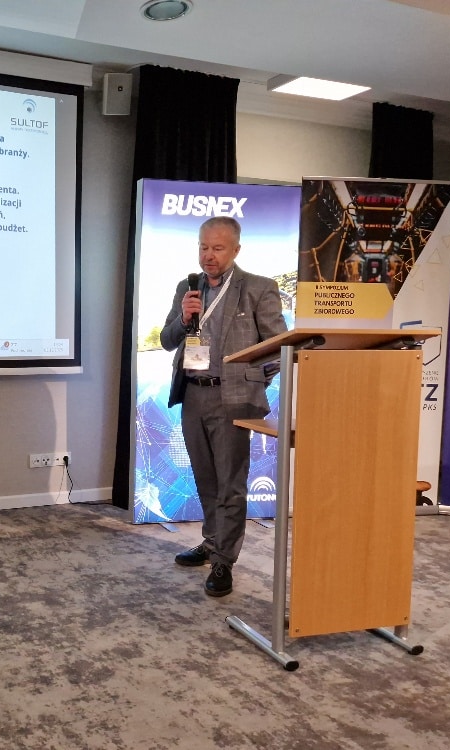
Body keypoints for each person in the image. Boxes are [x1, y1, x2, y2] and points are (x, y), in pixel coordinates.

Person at [159, 216, 287, 597]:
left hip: (233, 399)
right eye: (203, 247)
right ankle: (211, 540)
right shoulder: (187, 287)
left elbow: (278, 348)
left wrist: (252, 383)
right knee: (205, 477)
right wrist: (184, 318)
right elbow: (167, 339)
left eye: (217, 248)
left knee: (230, 482)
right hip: (193, 393)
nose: (208, 255)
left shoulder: (259, 288)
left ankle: (224, 561)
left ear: (235, 250)